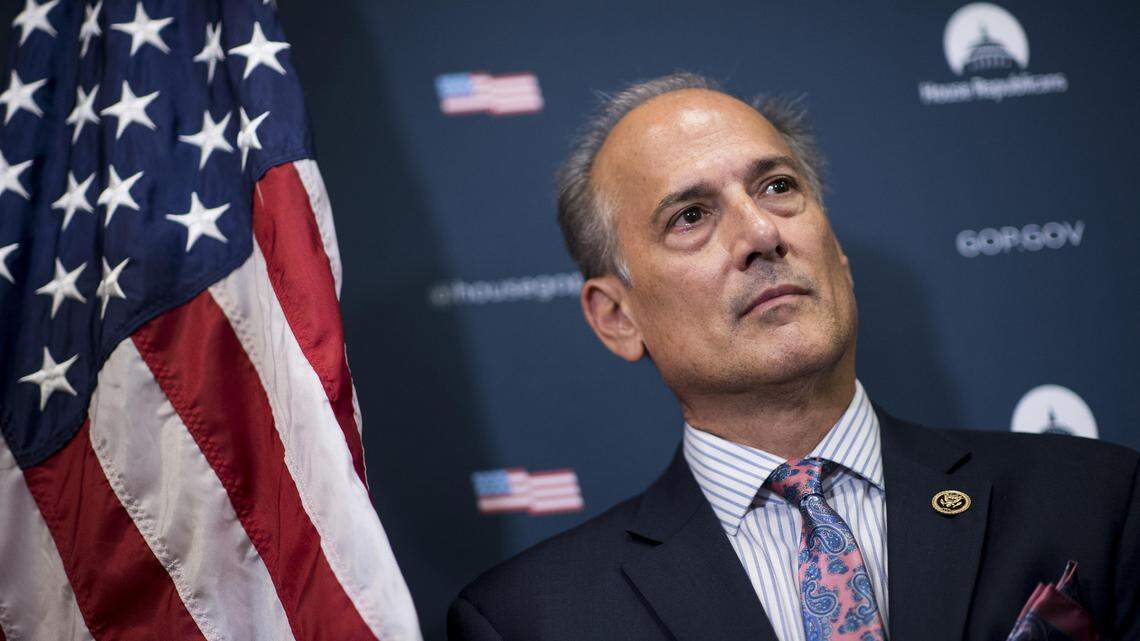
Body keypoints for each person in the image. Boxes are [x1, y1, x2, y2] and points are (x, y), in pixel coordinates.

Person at [446, 73, 1140, 641]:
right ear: (618, 316)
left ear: (835, 249)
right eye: (690, 215)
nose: (760, 232)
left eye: (778, 187)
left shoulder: (1095, 501)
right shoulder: (531, 619)